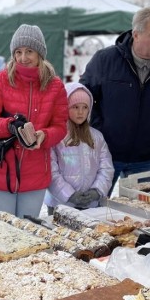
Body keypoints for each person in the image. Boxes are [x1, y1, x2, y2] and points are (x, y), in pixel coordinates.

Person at [80, 6, 150, 194]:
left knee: (142, 212)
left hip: (145, 158)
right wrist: (97, 130)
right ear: (136, 34)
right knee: (93, 208)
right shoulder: (105, 59)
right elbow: (82, 97)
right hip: (105, 154)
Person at [0, 24, 68, 218]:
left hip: (35, 174)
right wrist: (9, 125)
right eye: (18, 52)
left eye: (29, 51)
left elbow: (60, 127)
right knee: (2, 233)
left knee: (28, 233)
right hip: (1, 171)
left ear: (40, 54)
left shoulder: (55, 85)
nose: (23, 58)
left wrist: (44, 135)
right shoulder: (2, 79)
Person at [44, 83, 114, 214]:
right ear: (65, 107)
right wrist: (69, 195)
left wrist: (96, 191)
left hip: (90, 205)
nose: (81, 112)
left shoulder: (97, 137)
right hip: (60, 205)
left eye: (85, 107)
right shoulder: (56, 136)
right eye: (75, 107)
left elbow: (106, 168)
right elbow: (50, 171)